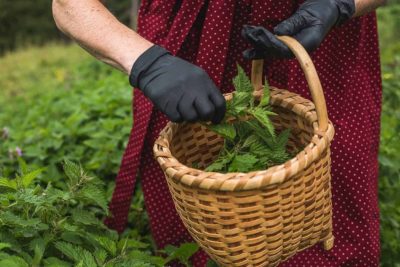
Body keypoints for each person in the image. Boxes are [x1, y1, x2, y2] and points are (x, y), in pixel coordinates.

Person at [52, 0, 385, 266]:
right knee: (201, 212)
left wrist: (339, 4)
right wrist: (147, 62)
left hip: (322, 46)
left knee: (329, 209)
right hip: (189, 53)